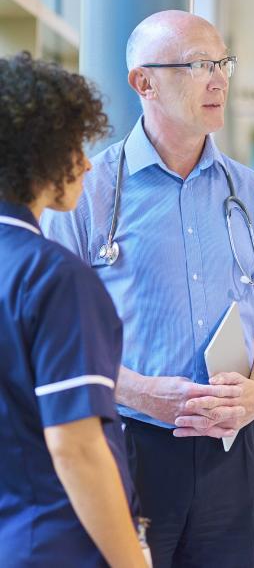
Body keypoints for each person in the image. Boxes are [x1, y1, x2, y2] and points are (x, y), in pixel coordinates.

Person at [42, 11, 254, 568]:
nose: (219, 79)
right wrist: (139, 392)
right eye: (199, 65)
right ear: (144, 83)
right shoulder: (86, 194)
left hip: (233, 451)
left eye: (222, 63)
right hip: (128, 443)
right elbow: (54, 344)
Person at [0, 53, 148, 567]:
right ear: (35, 154)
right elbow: (77, 449)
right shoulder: (54, 278)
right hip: (52, 544)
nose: (88, 163)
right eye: (75, 146)